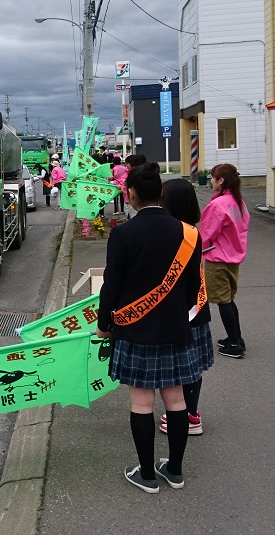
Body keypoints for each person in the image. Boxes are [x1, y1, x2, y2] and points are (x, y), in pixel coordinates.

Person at [96, 162, 203, 494]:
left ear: (130, 196)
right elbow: (192, 289)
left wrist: (104, 324)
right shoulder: (189, 233)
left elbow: (110, 286)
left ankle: (146, 474)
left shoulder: (123, 234)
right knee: (176, 403)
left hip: (134, 330)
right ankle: (174, 470)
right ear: (161, 193)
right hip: (176, 330)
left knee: (142, 404)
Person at [158, 177, 211, 436]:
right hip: (196, 306)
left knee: (181, 365)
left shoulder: (176, 233)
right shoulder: (192, 230)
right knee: (194, 364)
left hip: (180, 309)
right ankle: (191, 412)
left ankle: (186, 415)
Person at [199, 163, 251, 359]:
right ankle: (235, 337)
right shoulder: (238, 202)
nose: (211, 181)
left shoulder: (217, 205)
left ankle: (235, 344)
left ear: (221, 180)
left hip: (218, 258)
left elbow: (206, 234)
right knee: (228, 299)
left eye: (213, 177)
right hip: (233, 256)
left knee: (223, 301)